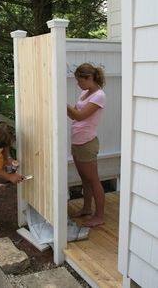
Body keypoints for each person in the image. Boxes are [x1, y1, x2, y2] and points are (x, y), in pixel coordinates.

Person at [67, 63, 106, 227]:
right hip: (77, 140)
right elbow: (74, 116)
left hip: (87, 142)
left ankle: (99, 216)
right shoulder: (85, 93)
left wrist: (62, 103)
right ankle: (87, 208)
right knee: (84, 179)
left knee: (93, 180)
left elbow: (80, 116)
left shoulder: (99, 96)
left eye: (80, 80)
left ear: (89, 78)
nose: (78, 84)